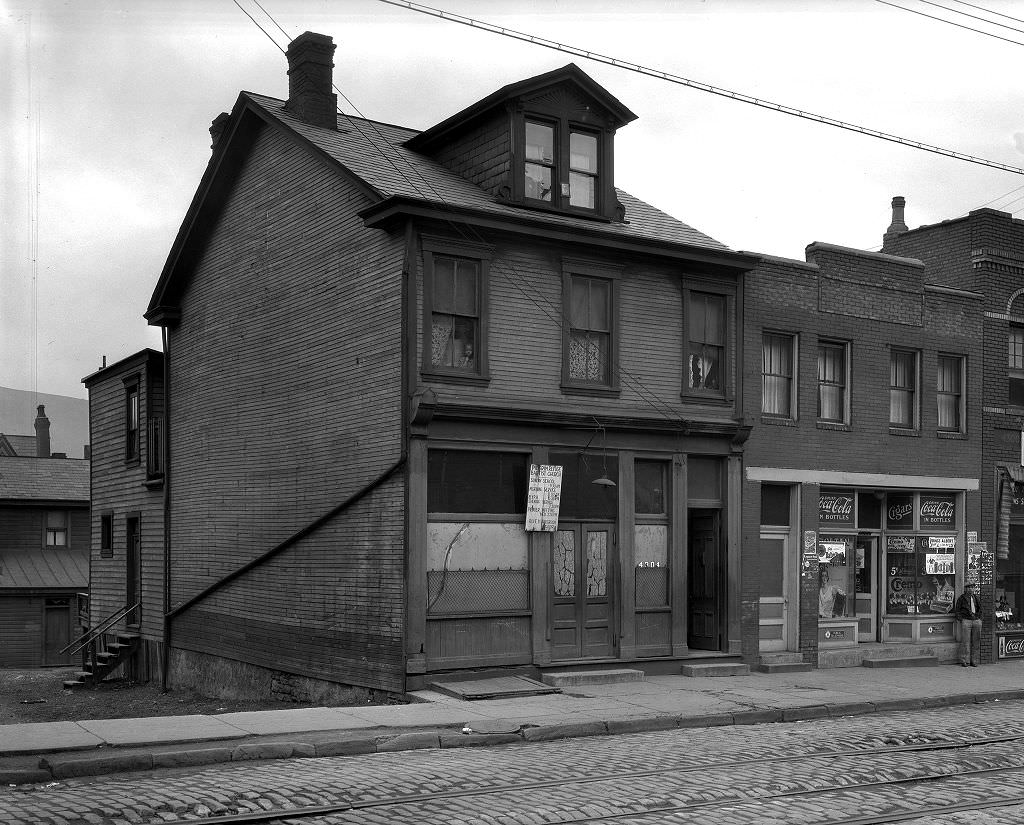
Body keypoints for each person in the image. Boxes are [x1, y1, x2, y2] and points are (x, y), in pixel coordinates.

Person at [954, 582, 983, 667]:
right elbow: (957, 611)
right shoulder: (961, 598)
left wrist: (979, 619)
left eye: (972, 587)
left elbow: (980, 609)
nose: (971, 589)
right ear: (966, 589)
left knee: (976, 642)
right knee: (965, 642)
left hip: (976, 621)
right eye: (969, 588)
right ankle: (964, 660)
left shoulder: (976, 598)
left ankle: (974, 660)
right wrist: (962, 620)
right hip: (966, 621)